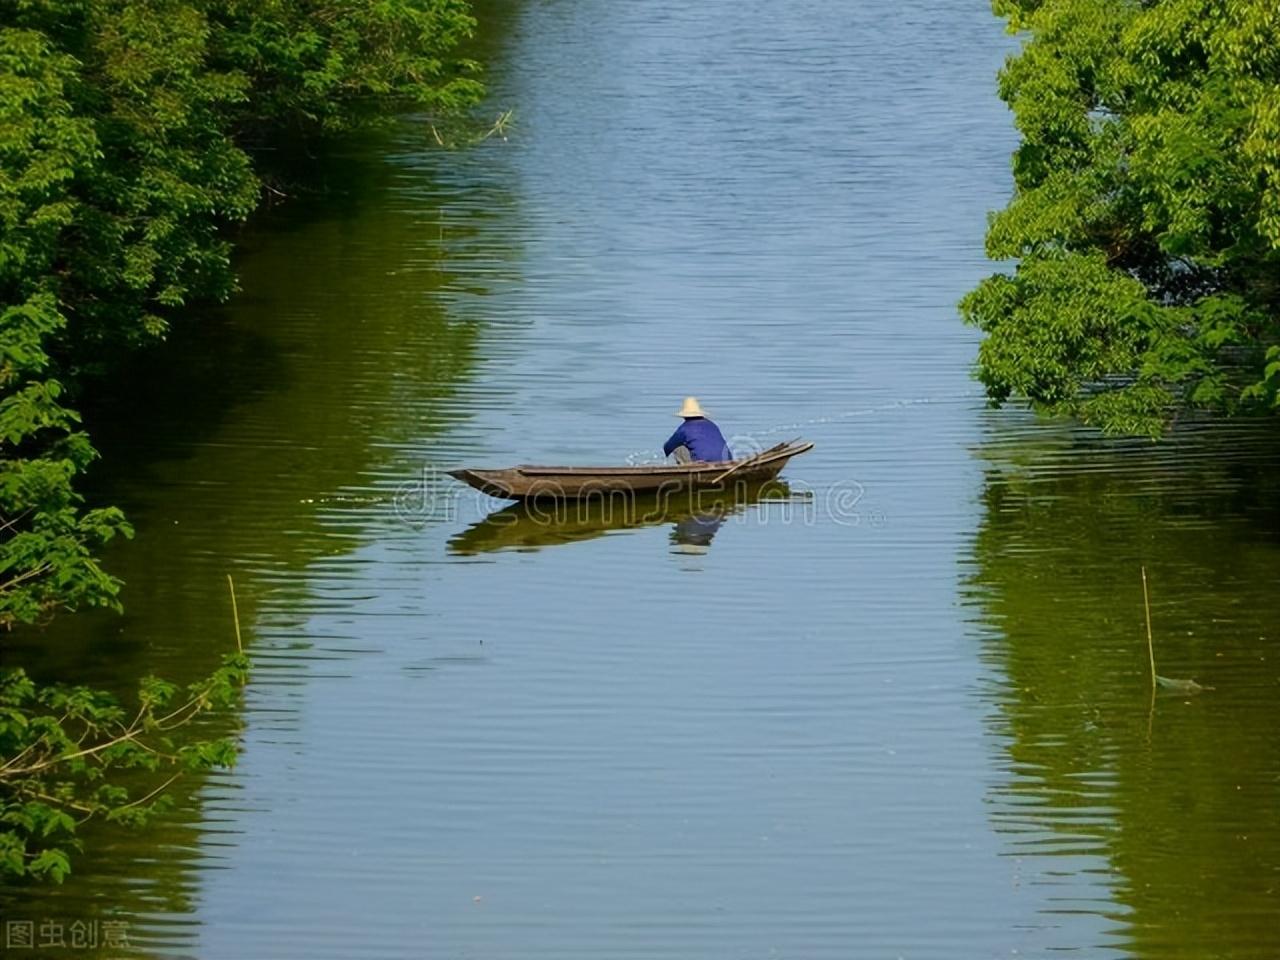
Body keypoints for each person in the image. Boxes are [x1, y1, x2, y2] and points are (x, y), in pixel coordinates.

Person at [663, 397, 733, 463]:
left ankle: (687, 470)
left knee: (678, 447)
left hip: (702, 463)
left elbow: (668, 447)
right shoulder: (712, 425)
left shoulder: (684, 429)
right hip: (726, 462)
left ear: (684, 416)